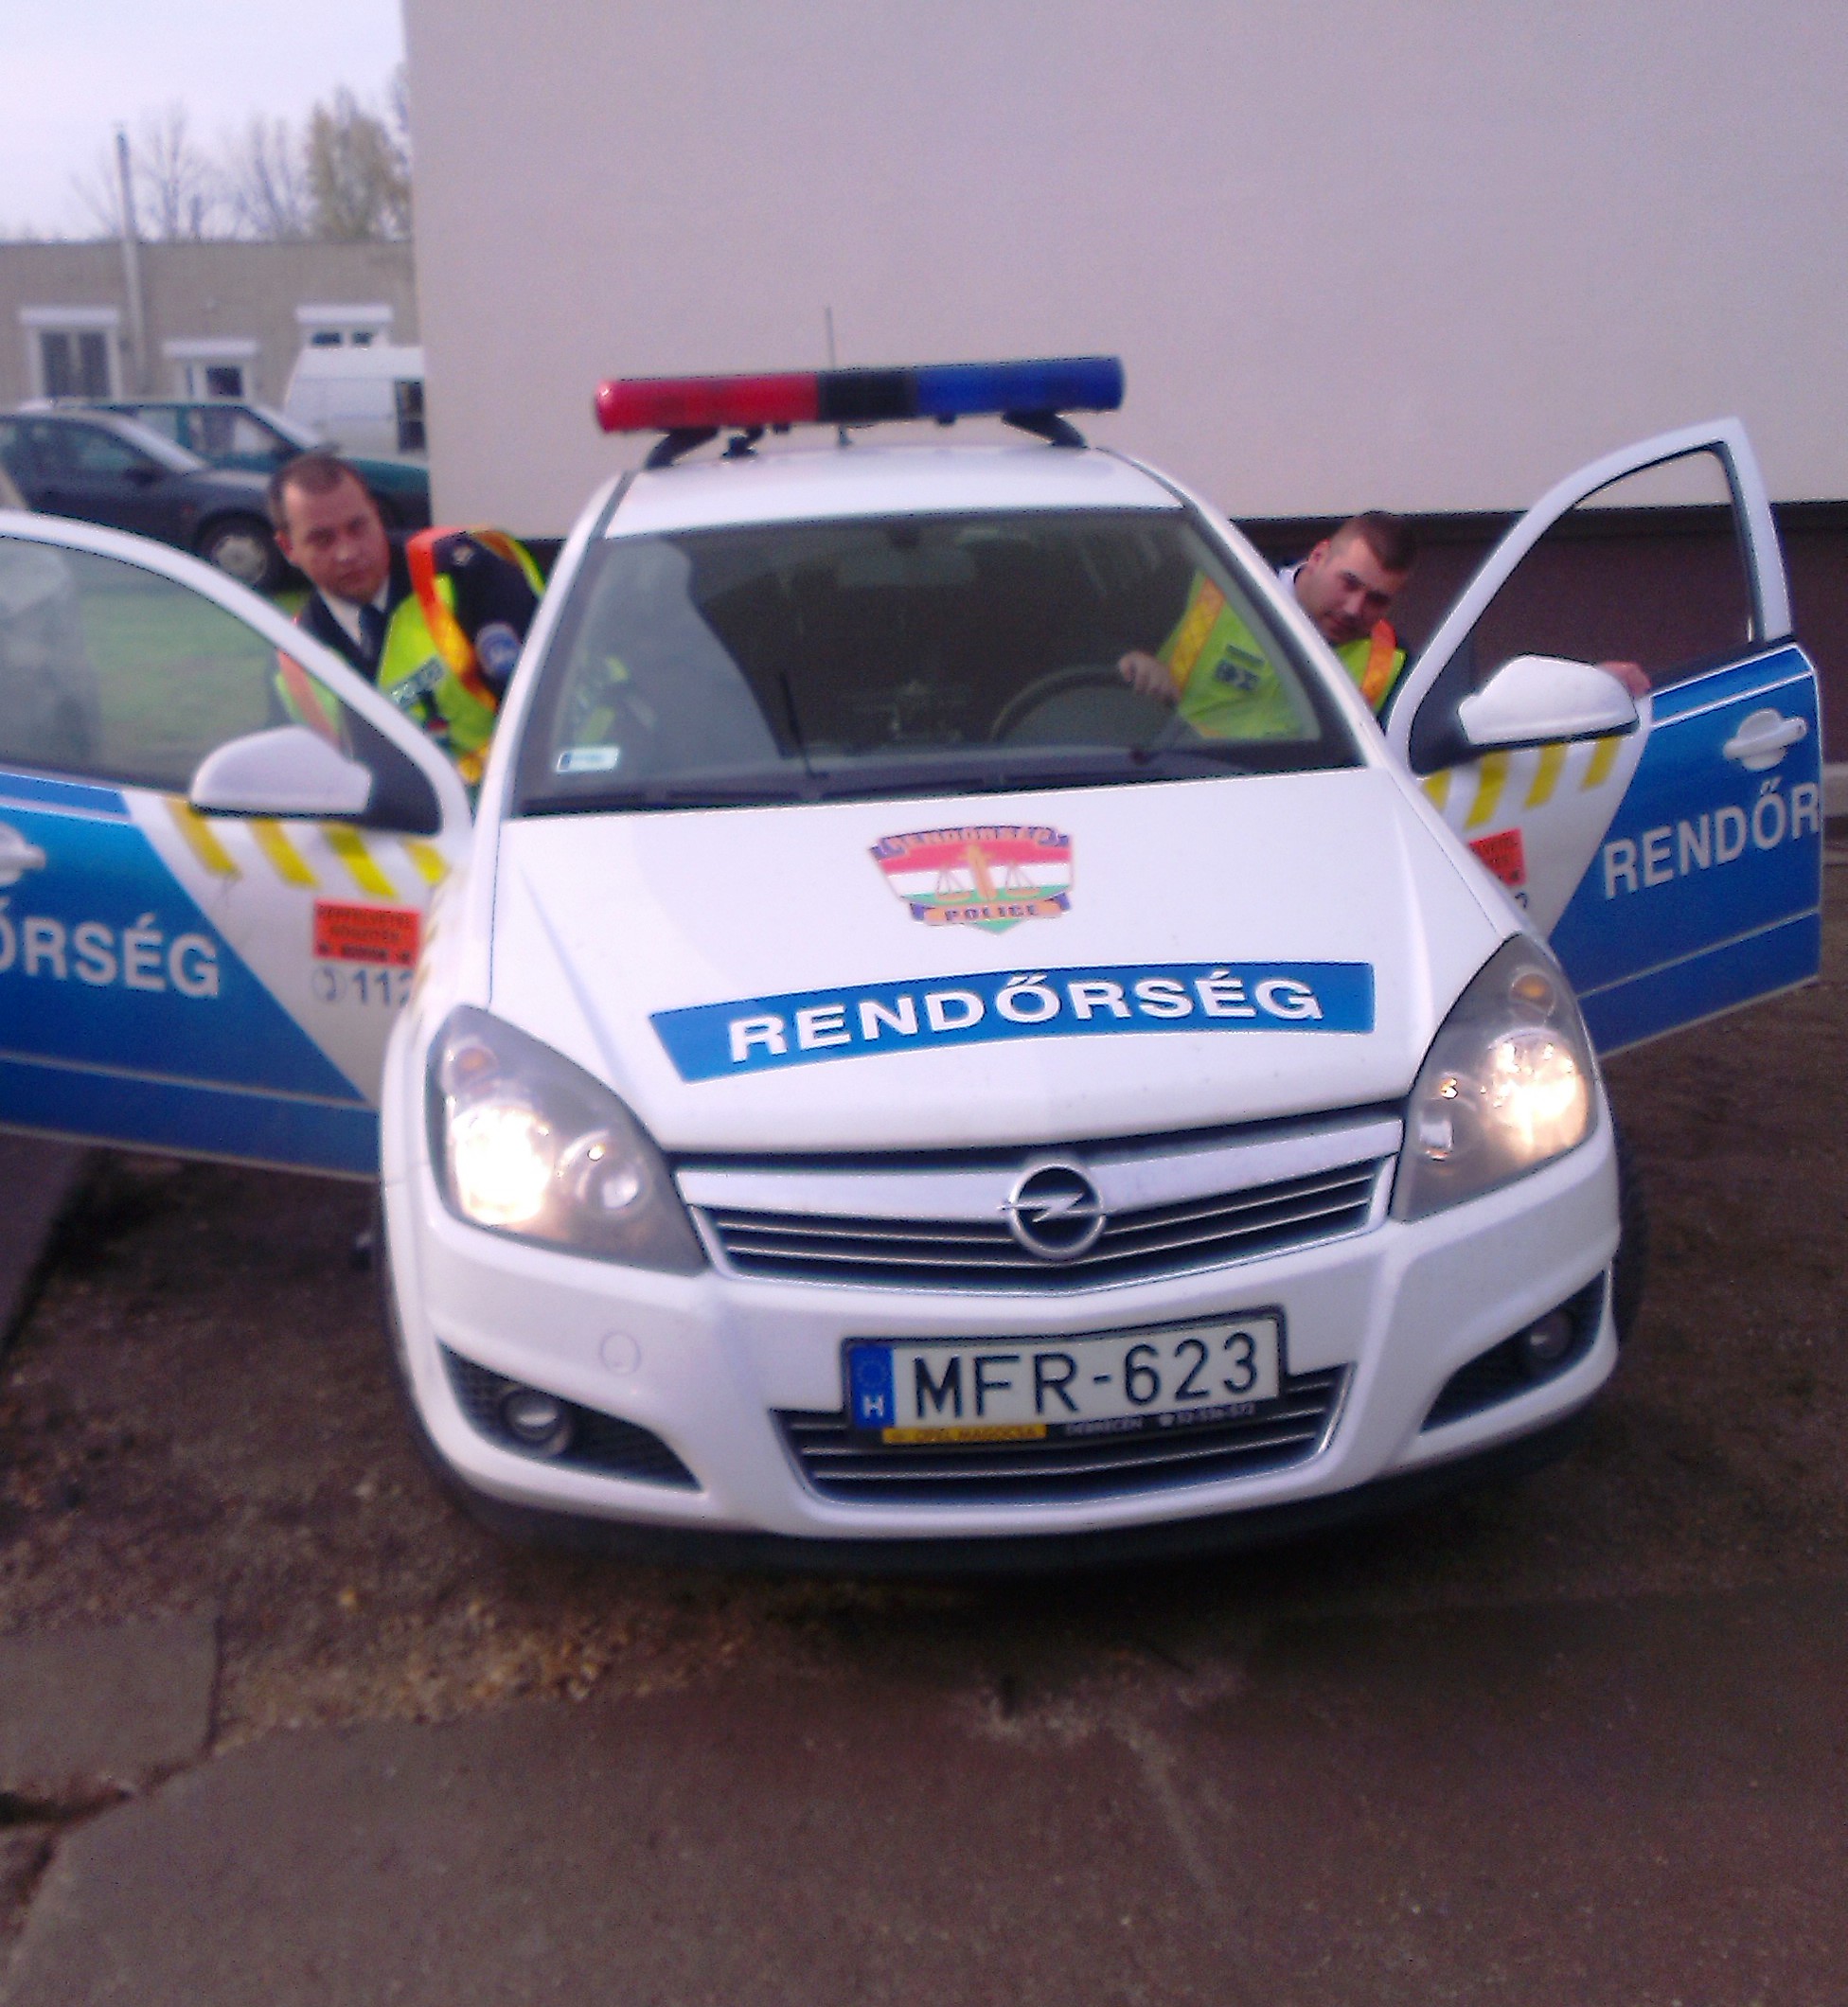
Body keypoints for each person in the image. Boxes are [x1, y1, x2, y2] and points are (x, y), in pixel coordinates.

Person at [268, 452, 543, 789]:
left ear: (376, 514)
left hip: (515, 792)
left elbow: (546, 709)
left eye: (357, 527)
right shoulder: (293, 661)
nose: (348, 552)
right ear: (288, 547)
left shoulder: (462, 573)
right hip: (398, 819)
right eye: (322, 540)